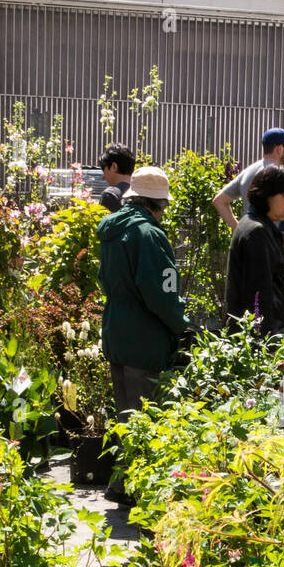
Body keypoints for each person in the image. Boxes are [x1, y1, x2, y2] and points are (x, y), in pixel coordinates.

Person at [97, 165, 189, 505]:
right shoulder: (149, 234)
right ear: (157, 203)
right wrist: (181, 323)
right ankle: (141, 490)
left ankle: (120, 484)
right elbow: (161, 292)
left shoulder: (112, 230)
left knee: (125, 415)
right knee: (146, 415)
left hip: (116, 328)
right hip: (145, 334)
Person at [227, 164, 284, 334]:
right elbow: (260, 294)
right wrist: (269, 341)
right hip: (258, 337)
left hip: (252, 332)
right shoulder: (257, 231)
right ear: (267, 194)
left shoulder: (255, 224)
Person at [213, 128, 284, 230]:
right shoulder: (280, 175)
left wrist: (239, 230)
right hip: (271, 241)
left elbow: (219, 200)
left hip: (251, 239)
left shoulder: (247, 172)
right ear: (280, 149)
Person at [96, 143, 136, 212]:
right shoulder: (143, 193)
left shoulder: (110, 195)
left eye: (103, 169)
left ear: (114, 166)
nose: (103, 176)